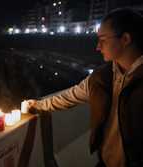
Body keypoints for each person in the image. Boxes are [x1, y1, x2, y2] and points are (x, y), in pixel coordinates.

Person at [26, 8, 143, 167]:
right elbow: (70, 96)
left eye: (103, 40)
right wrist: (37, 105)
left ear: (125, 39)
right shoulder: (102, 77)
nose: (97, 47)